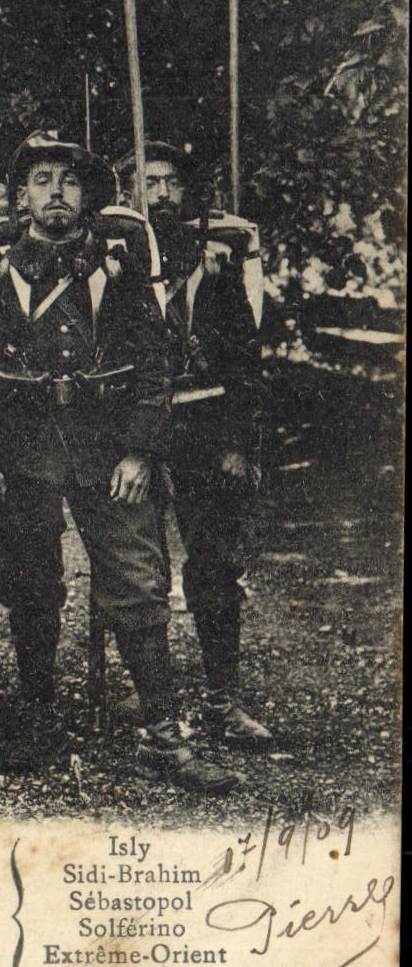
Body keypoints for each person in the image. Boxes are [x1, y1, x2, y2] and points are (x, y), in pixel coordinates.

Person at [0, 130, 241, 792]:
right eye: (42, 179)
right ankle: (38, 713)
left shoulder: (119, 265)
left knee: (137, 582)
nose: (55, 192)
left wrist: (142, 446)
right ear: (20, 195)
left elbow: (155, 365)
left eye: (69, 181)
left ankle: (163, 734)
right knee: (30, 582)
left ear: (87, 196)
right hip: (21, 453)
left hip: (108, 449)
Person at [115, 141, 272, 749]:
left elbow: (243, 359)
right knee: (134, 567)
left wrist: (238, 442)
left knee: (213, 564)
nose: (159, 195)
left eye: (170, 183)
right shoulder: (113, 259)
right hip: (133, 431)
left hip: (203, 430)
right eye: (146, 184)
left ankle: (222, 700)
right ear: (127, 194)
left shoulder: (216, 262)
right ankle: (143, 695)